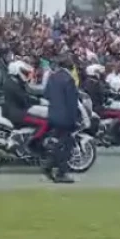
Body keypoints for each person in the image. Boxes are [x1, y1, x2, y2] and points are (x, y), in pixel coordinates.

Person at [43, 53, 80, 184]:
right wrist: (74, 119)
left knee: (58, 143)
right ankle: (61, 173)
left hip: (53, 114)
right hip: (65, 117)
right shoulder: (68, 79)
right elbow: (72, 102)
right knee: (66, 145)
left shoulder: (52, 77)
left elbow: (46, 94)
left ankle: (49, 165)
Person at [3, 60, 44, 153]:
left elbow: (25, 96)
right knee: (43, 123)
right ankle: (30, 145)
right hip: (17, 114)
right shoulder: (14, 84)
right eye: (24, 72)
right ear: (17, 71)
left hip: (12, 111)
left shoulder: (12, 81)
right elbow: (24, 99)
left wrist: (36, 100)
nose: (26, 74)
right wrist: (39, 101)